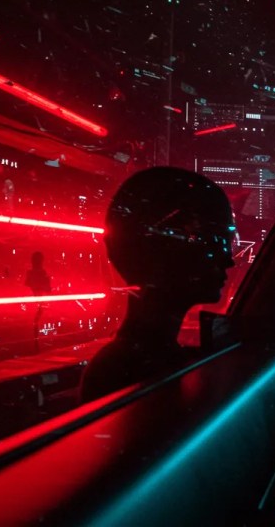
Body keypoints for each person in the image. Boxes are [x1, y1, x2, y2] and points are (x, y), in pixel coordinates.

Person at [78, 166, 236, 403]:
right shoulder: (136, 367)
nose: (229, 260)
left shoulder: (134, 361)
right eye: (215, 243)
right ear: (168, 249)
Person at [24, 251, 51, 352]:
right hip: (37, 301)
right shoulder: (42, 273)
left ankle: (36, 344)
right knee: (36, 322)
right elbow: (48, 288)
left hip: (36, 301)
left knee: (35, 323)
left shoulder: (34, 273)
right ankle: (36, 344)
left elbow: (26, 286)